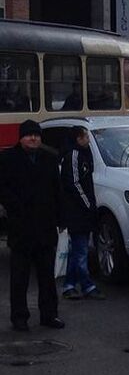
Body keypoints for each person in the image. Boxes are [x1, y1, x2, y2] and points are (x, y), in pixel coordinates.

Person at [0, 120, 65, 331]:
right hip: (21, 227)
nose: (33, 138)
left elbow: (57, 191)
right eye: (29, 135)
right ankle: (19, 317)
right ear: (21, 138)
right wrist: (15, 207)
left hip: (45, 227)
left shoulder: (49, 158)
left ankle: (49, 314)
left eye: (36, 135)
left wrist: (61, 219)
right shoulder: (8, 159)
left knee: (47, 276)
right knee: (20, 277)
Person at [60, 126, 105, 300]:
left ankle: (70, 285)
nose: (87, 139)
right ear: (78, 139)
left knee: (78, 249)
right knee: (81, 249)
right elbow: (74, 182)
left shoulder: (82, 154)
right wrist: (87, 203)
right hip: (77, 211)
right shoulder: (74, 155)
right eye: (85, 136)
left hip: (81, 210)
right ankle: (87, 285)